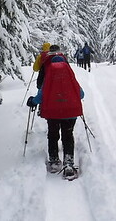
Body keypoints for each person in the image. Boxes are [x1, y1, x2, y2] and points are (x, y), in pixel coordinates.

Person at [27, 45, 84, 179]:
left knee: (53, 135)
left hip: (53, 111)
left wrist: (33, 101)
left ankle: (53, 161)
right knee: (68, 135)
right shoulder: (69, 74)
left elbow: (41, 94)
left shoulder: (49, 74)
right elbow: (81, 94)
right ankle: (69, 164)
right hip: (70, 112)